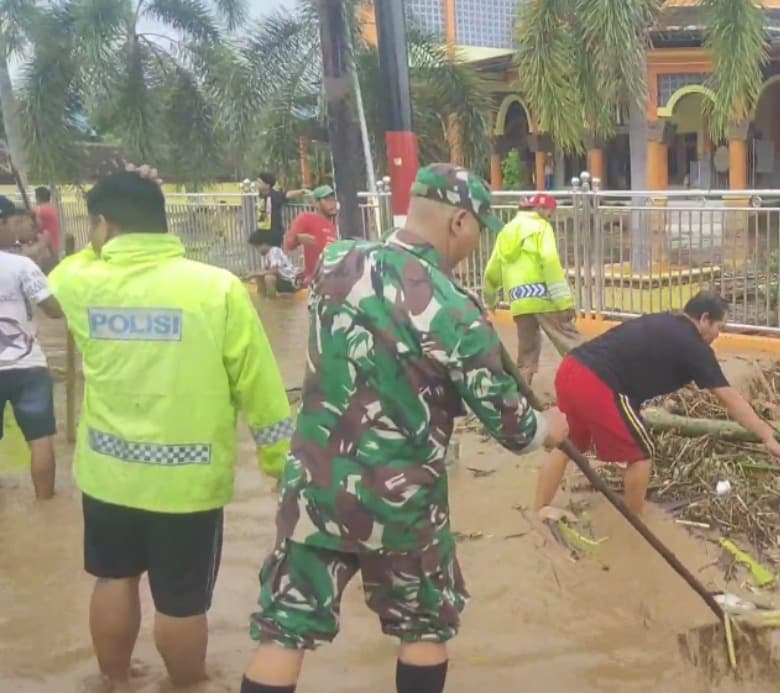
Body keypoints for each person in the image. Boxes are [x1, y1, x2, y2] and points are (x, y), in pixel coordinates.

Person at [240, 164, 570, 693]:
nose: (474, 242)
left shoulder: (336, 261)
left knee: (284, 630)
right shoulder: (455, 310)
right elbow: (510, 425)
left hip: (315, 488)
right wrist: (547, 426)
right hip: (402, 502)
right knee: (423, 627)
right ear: (460, 221)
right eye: (477, 228)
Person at [48, 168, 292, 687]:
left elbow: (73, 264)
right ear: (164, 225)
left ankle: (115, 682)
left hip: (109, 473)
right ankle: (187, 685)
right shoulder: (218, 289)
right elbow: (263, 393)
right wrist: (280, 469)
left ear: (101, 225)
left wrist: (102, 245)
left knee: (113, 579)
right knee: (180, 601)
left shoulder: (78, 281)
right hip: (187, 482)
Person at [534, 291, 780, 518]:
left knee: (568, 446)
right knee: (641, 453)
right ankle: (636, 523)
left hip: (571, 368)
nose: (718, 334)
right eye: (719, 327)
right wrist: (766, 435)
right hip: (597, 383)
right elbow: (730, 399)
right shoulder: (694, 346)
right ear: (704, 319)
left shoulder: (667, 322)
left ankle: (540, 509)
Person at [0, 195, 63, 499]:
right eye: (12, 223)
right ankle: (45, 505)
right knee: (40, 439)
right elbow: (53, 309)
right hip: (28, 366)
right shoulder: (21, 265)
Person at [482, 193, 582, 384]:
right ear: (541, 210)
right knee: (570, 341)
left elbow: (492, 268)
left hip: (519, 301)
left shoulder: (506, 231)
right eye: (549, 213)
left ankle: (523, 391)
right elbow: (549, 261)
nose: (550, 217)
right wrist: (563, 301)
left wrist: (491, 298)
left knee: (527, 349)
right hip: (545, 298)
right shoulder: (541, 227)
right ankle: (597, 377)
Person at [282, 184, 339, 286]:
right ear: (316, 203)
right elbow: (288, 244)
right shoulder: (306, 218)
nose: (332, 204)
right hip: (315, 282)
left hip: (332, 280)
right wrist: (298, 239)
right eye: (326, 200)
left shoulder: (332, 226)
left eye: (333, 199)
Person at [246, 229, 302, 297]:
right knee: (259, 276)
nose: (257, 250)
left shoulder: (274, 251)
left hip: (290, 282)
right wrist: (254, 274)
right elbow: (265, 270)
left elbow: (274, 271)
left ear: (264, 244)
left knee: (269, 278)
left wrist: (254, 273)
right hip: (283, 281)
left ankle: (270, 301)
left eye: (257, 247)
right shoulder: (268, 255)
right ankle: (262, 298)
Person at [255, 173, 289, 247]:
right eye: (257, 181)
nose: (256, 184)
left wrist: (302, 191)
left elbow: (287, 195)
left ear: (267, 185)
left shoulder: (274, 195)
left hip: (273, 233)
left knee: (274, 254)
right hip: (264, 231)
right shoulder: (261, 195)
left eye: (259, 182)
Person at [33, 186, 62, 258]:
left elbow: (36, 227)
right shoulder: (52, 208)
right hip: (55, 246)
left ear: (38, 197)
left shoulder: (39, 210)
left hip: (46, 250)